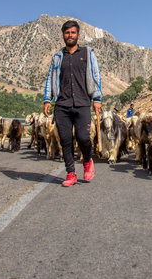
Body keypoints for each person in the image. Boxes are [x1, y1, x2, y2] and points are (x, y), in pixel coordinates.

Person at [43, 20, 102, 187]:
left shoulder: (87, 53)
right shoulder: (57, 57)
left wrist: (97, 99)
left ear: (78, 35)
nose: (70, 35)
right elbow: (50, 79)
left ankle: (87, 160)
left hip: (83, 103)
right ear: (63, 35)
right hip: (62, 104)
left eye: (73, 32)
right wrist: (48, 99)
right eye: (67, 33)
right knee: (65, 139)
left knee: (84, 138)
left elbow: (96, 76)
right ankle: (70, 173)